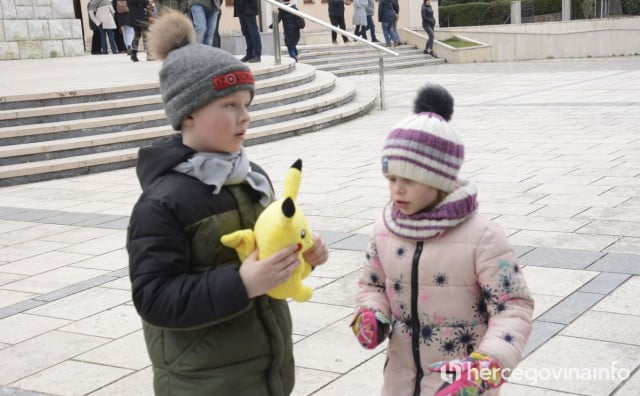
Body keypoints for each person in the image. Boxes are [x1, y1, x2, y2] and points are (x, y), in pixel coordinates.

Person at [127, 10, 329, 395]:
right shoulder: (162, 204)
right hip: (203, 381)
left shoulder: (253, 179)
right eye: (230, 106)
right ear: (187, 113)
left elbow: (269, 257)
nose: (245, 117)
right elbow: (154, 298)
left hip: (266, 370)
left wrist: (302, 257)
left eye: (247, 104)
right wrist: (241, 283)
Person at [350, 84, 534, 396]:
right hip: (400, 381)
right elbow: (372, 285)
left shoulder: (483, 237)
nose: (397, 190)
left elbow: (512, 309)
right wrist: (372, 313)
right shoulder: (384, 229)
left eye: (409, 180)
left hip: (460, 383)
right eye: (392, 179)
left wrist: (484, 368)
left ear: (439, 180)